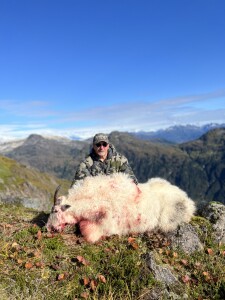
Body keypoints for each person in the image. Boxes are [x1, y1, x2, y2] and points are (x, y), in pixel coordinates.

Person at [71, 133, 138, 187]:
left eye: (104, 144)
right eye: (98, 145)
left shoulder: (120, 160)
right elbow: (76, 187)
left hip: (118, 195)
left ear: (108, 145)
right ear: (94, 146)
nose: (101, 148)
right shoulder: (85, 165)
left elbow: (132, 181)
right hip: (95, 198)